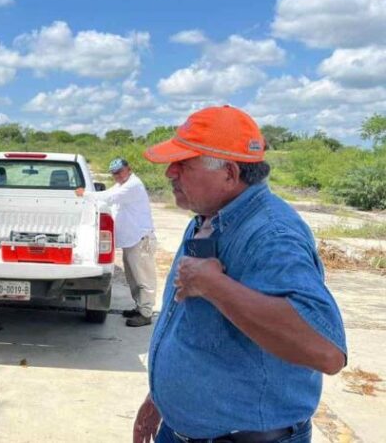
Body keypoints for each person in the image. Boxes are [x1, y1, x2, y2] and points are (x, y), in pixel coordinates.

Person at [133, 106, 346, 443]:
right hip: (184, 430)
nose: (169, 173)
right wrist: (162, 399)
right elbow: (197, 329)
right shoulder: (210, 214)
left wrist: (214, 286)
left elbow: (326, 351)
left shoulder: (272, 235)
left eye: (183, 165)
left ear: (229, 174)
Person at [76, 158, 157, 327]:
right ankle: (139, 307)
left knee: (144, 278)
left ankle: (146, 313)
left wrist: (85, 194)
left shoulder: (133, 185)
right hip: (132, 240)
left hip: (140, 239)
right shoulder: (122, 184)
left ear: (129, 169)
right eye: (114, 174)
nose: (117, 176)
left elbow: (108, 198)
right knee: (133, 277)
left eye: (120, 172)